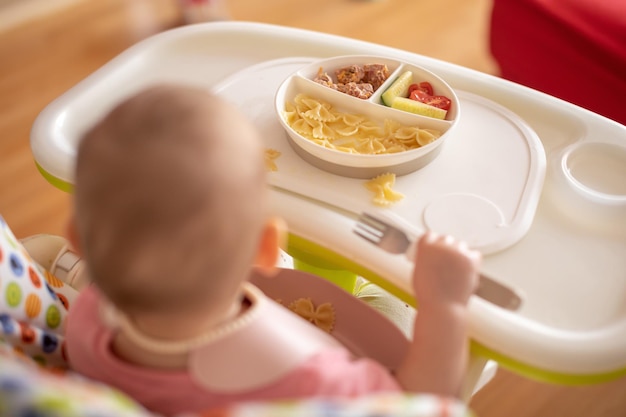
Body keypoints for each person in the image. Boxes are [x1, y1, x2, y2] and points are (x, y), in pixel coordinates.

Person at [63, 84, 481, 416]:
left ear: (77, 240)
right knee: (395, 303)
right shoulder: (311, 381)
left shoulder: (83, 322)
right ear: (267, 247)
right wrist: (444, 306)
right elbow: (420, 403)